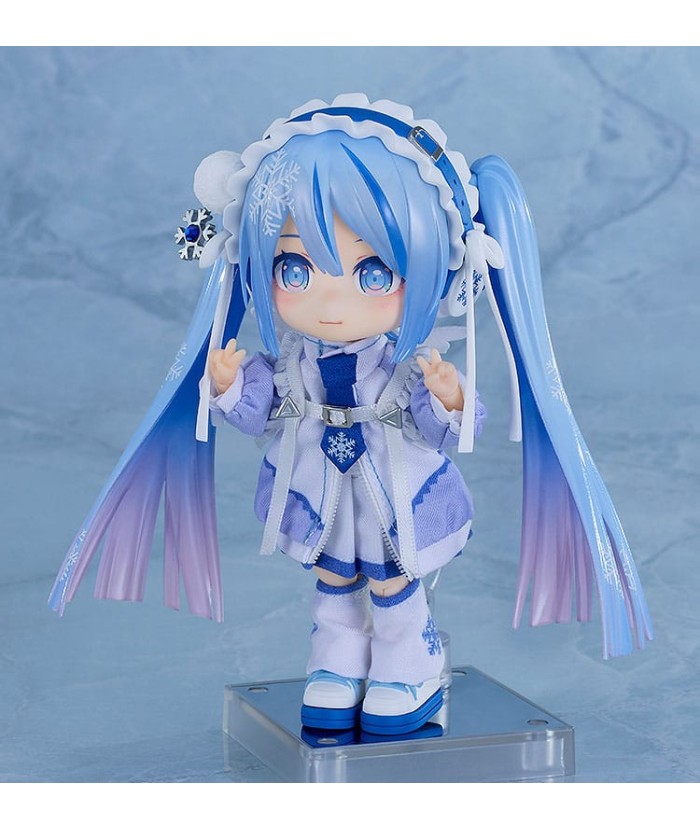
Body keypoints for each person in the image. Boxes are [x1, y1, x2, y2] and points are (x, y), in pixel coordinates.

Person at [50, 94, 653, 737]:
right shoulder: (292, 364)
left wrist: (447, 397)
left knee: (391, 581)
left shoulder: (404, 366)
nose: (330, 302)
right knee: (331, 578)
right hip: (318, 486)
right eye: (295, 269)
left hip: (393, 492)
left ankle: (410, 662)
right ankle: (336, 663)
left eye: (372, 275)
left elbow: (445, 430)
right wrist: (229, 386)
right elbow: (263, 413)